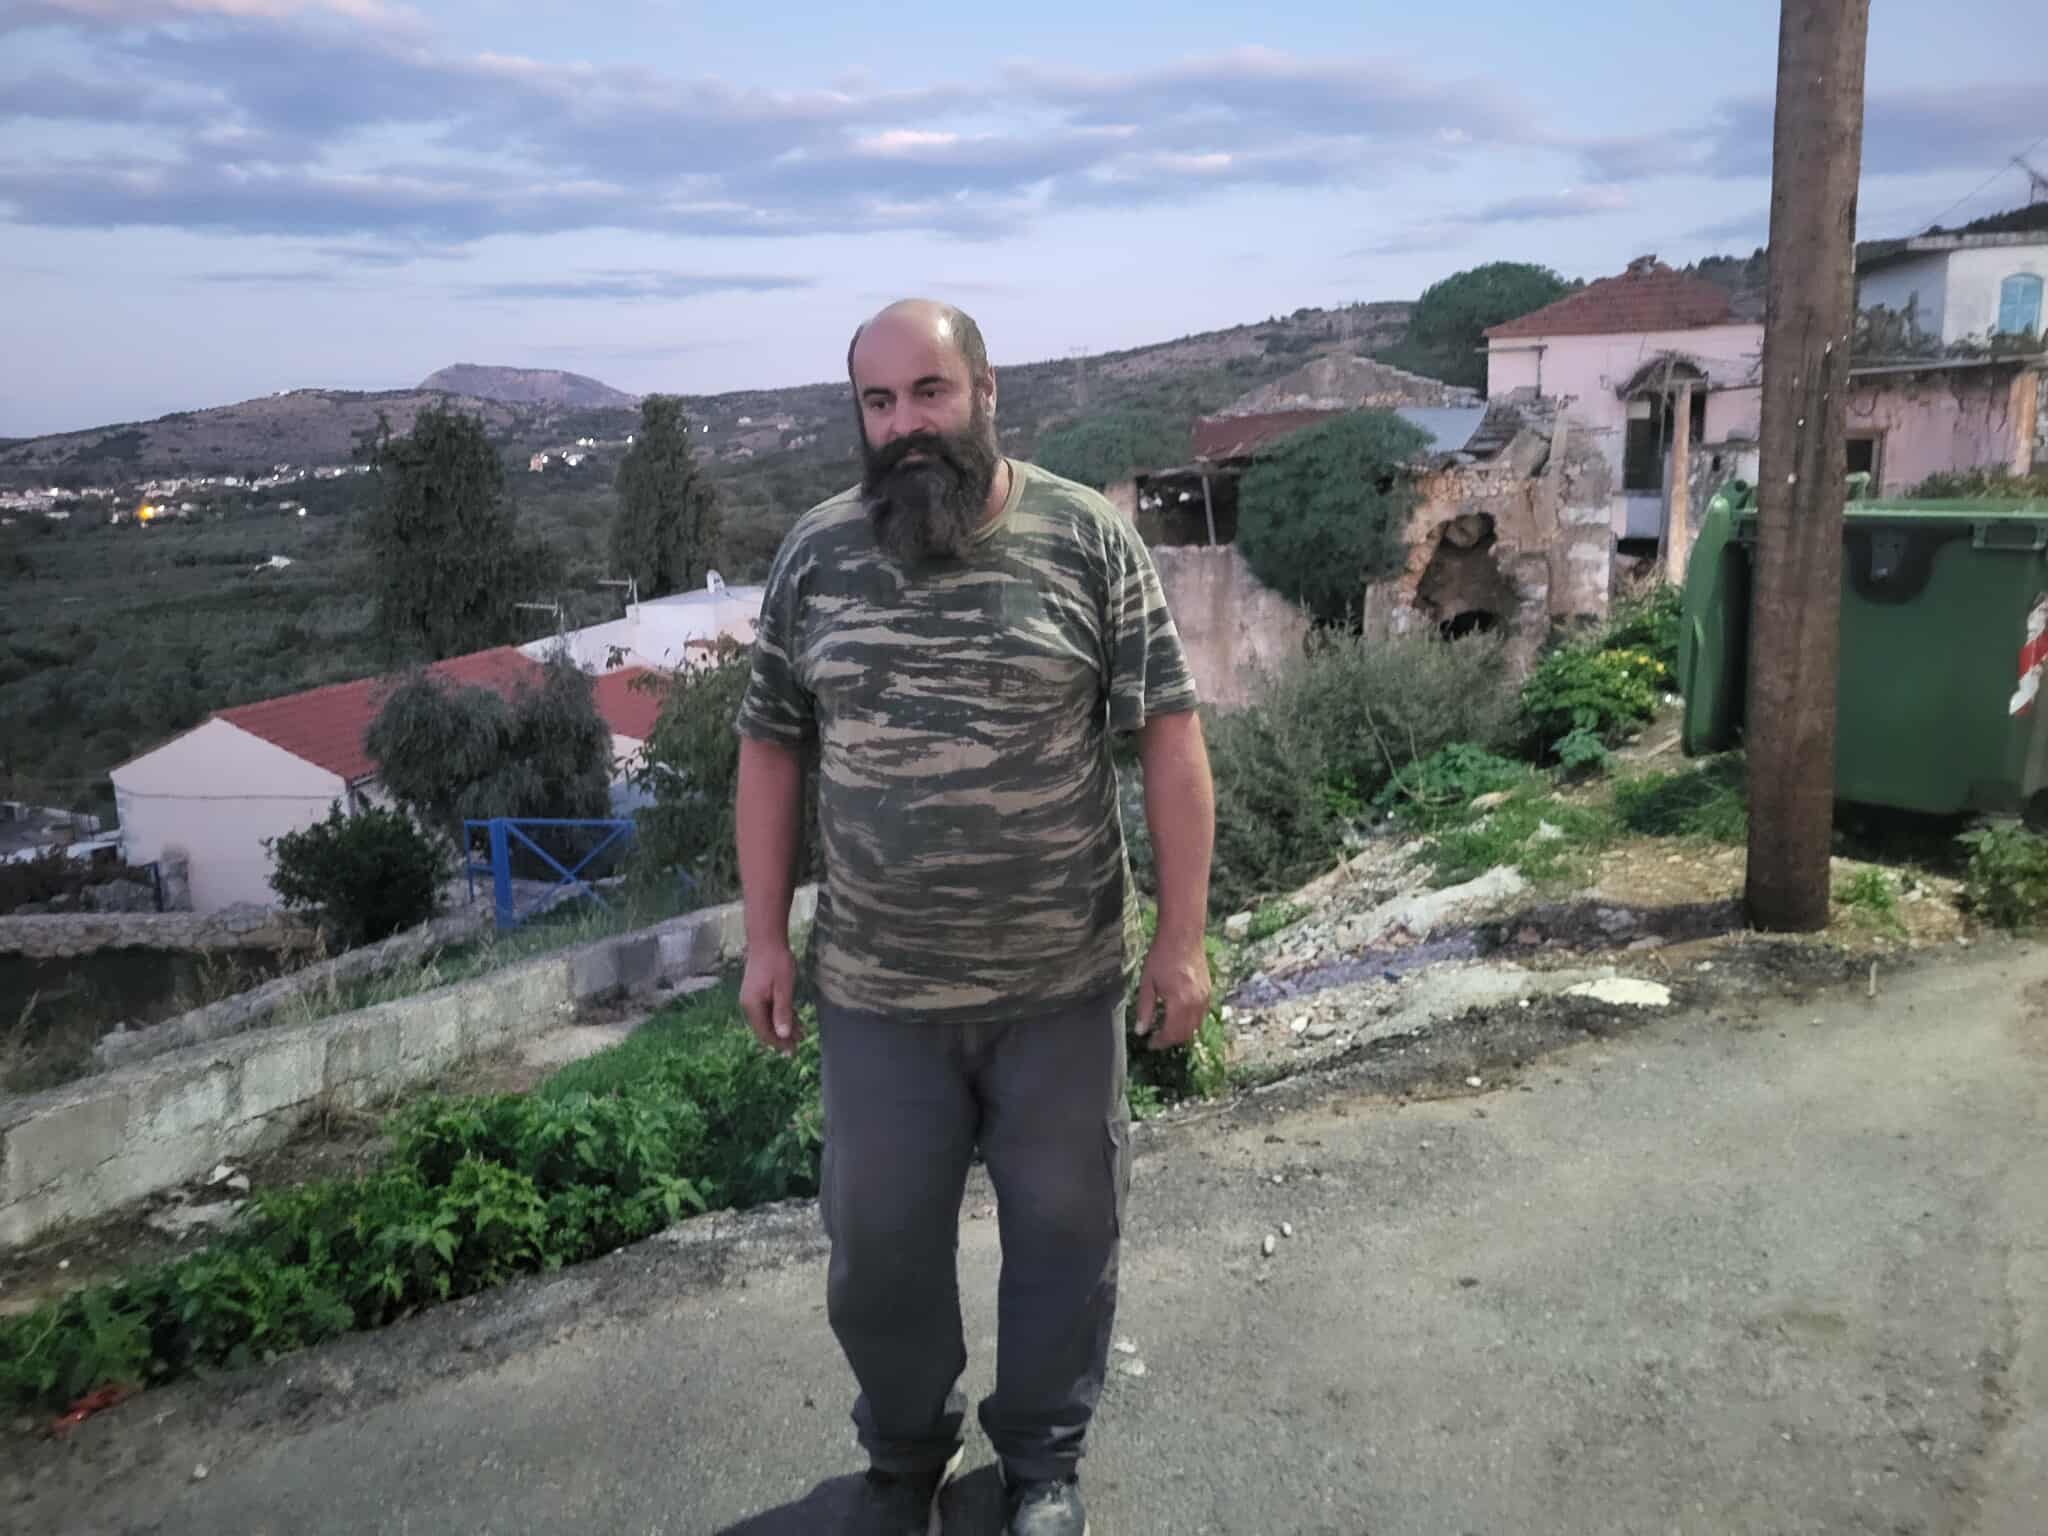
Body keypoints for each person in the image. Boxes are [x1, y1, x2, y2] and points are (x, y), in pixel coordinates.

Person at [733, 298, 1216, 1535]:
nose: (905, 424)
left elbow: (1168, 740)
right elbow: (771, 749)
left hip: (1058, 987)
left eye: (929, 392)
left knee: (1067, 1234)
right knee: (878, 1249)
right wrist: (765, 939)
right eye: (877, 401)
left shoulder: (1086, 539)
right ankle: (903, 1461)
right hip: (879, 995)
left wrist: (1180, 940)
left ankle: (1042, 1466)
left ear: (986, 394)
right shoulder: (815, 557)